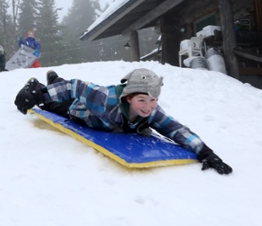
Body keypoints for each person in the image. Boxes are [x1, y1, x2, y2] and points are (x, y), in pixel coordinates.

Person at [14, 68, 233, 175]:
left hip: (98, 116)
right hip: (80, 112)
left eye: (153, 100)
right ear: (128, 97)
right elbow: (76, 87)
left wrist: (205, 152)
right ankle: (38, 83)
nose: (148, 106)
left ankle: (54, 78)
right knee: (56, 103)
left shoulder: (152, 111)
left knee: (63, 90)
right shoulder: (105, 99)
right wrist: (39, 96)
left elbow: (175, 129)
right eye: (142, 100)